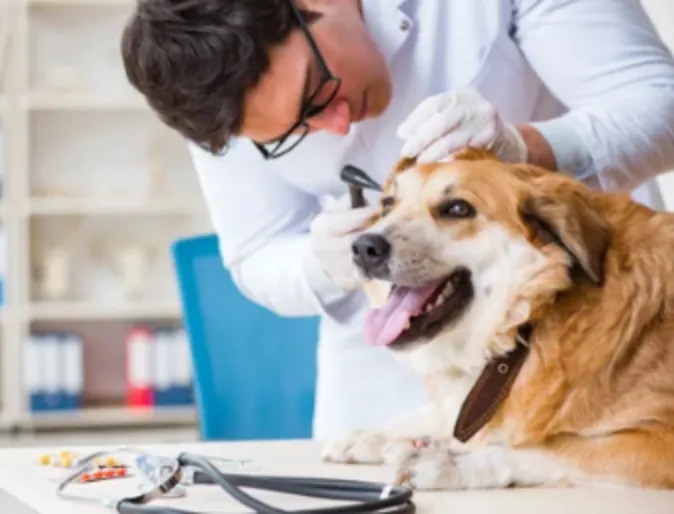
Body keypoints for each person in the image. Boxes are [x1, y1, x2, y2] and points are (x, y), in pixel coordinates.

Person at [121, 0, 674, 440]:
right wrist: (320, 264)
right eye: (291, 134)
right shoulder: (214, 102)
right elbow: (256, 254)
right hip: (393, 370)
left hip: (598, 333)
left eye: (319, 89)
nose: (337, 127)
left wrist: (527, 148)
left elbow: (661, 103)